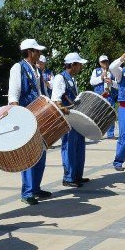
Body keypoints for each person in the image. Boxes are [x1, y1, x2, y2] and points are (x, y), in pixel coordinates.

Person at [9, 38, 53, 205]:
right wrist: (16, 115)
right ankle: (27, 192)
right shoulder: (18, 67)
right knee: (28, 155)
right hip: (26, 116)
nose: (39, 54)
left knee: (40, 153)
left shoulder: (36, 70)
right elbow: (14, 94)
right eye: (37, 51)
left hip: (39, 115)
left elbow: (42, 92)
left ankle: (35, 187)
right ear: (29, 52)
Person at [53, 52, 89, 187]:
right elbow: (56, 100)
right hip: (67, 119)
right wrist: (64, 109)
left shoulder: (73, 79)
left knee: (79, 146)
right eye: (79, 64)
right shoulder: (60, 78)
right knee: (69, 147)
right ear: (72, 65)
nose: (81, 67)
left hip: (76, 117)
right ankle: (68, 177)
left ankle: (77, 175)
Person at [90, 55, 117, 139]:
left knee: (110, 115)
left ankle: (110, 134)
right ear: (99, 63)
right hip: (99, 96)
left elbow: (118, 85)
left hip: (110, 96)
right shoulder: (96, 71)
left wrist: (112, 82)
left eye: (106, 61)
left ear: (108, 62)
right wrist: (101, 78)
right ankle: (98, 134)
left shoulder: (113, 71)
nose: (105, 63)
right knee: (98, 115)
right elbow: (92, 82)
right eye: (103, 62)